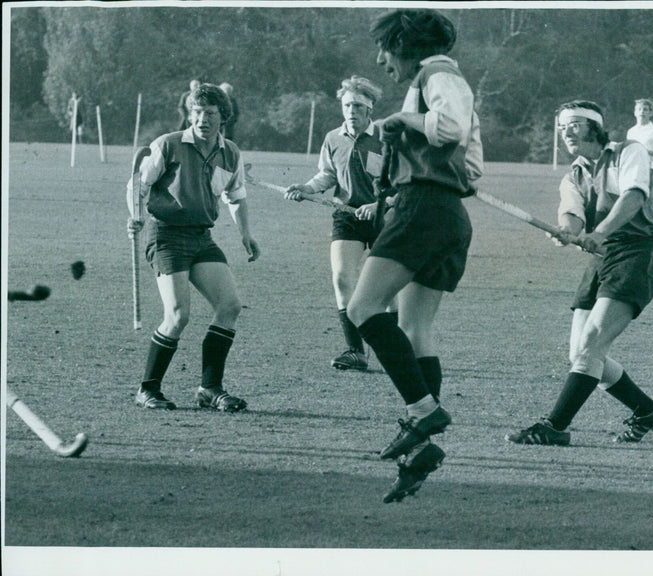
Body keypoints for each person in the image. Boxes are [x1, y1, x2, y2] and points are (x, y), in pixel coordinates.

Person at [346, 9, 483, 502]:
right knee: (414, 329)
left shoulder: (438, 73)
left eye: (385, 48)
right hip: (444, 213)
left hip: (424, 209)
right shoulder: (441, 79)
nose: (382, 60)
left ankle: (423, 411)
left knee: (362, 309)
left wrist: (404, 119)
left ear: (405, 43)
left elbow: (449, 129)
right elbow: (470, 164)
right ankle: (421, 448)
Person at [506, 100, 653, 447]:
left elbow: (634, 197)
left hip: (637, 250)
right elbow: (573, 216)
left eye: (574, 125)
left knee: (591, 345)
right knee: (581, 352)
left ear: (594, 126)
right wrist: (566, 231)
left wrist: (599, 233)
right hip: (602, 257)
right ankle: (647, 411)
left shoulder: (629, 151)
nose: (567, 133)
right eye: (562, 129)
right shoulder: (574, 174)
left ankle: (555, 426)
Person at [127, 83, 260, 412]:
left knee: (229, 306)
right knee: (177, 315)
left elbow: (237, 196)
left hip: (202, 237)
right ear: (190, 114)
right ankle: (148, 389)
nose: (202, 119)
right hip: (166, 235)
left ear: (222, 117)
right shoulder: (168, 145)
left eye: (210, 113)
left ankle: (210, 389)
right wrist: (136, 216)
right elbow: (138, 185)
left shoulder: (230, 152)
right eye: (197, 112)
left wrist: (245, 234)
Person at [285, 75, 392, 372]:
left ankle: (398, 350)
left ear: (369, 108)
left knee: (389, 291)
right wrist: (306, 188)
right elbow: (327, 175)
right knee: (342, 277)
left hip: (386, 216)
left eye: (357, 105)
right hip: (346, 215)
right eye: (347, 105)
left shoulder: (387, 137)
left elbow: (402, 185)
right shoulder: (333, 138)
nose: (351, 111)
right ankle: (355, 351)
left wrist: (378, 205)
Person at [626, 99, 653, 192]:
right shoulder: (631, 132)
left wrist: (644, 150)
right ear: (635, 112)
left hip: (651, 172)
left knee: (652, 205)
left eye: (645, 109)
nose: (642, 112)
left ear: (650, 113)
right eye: (639, 109)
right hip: (634, 172)